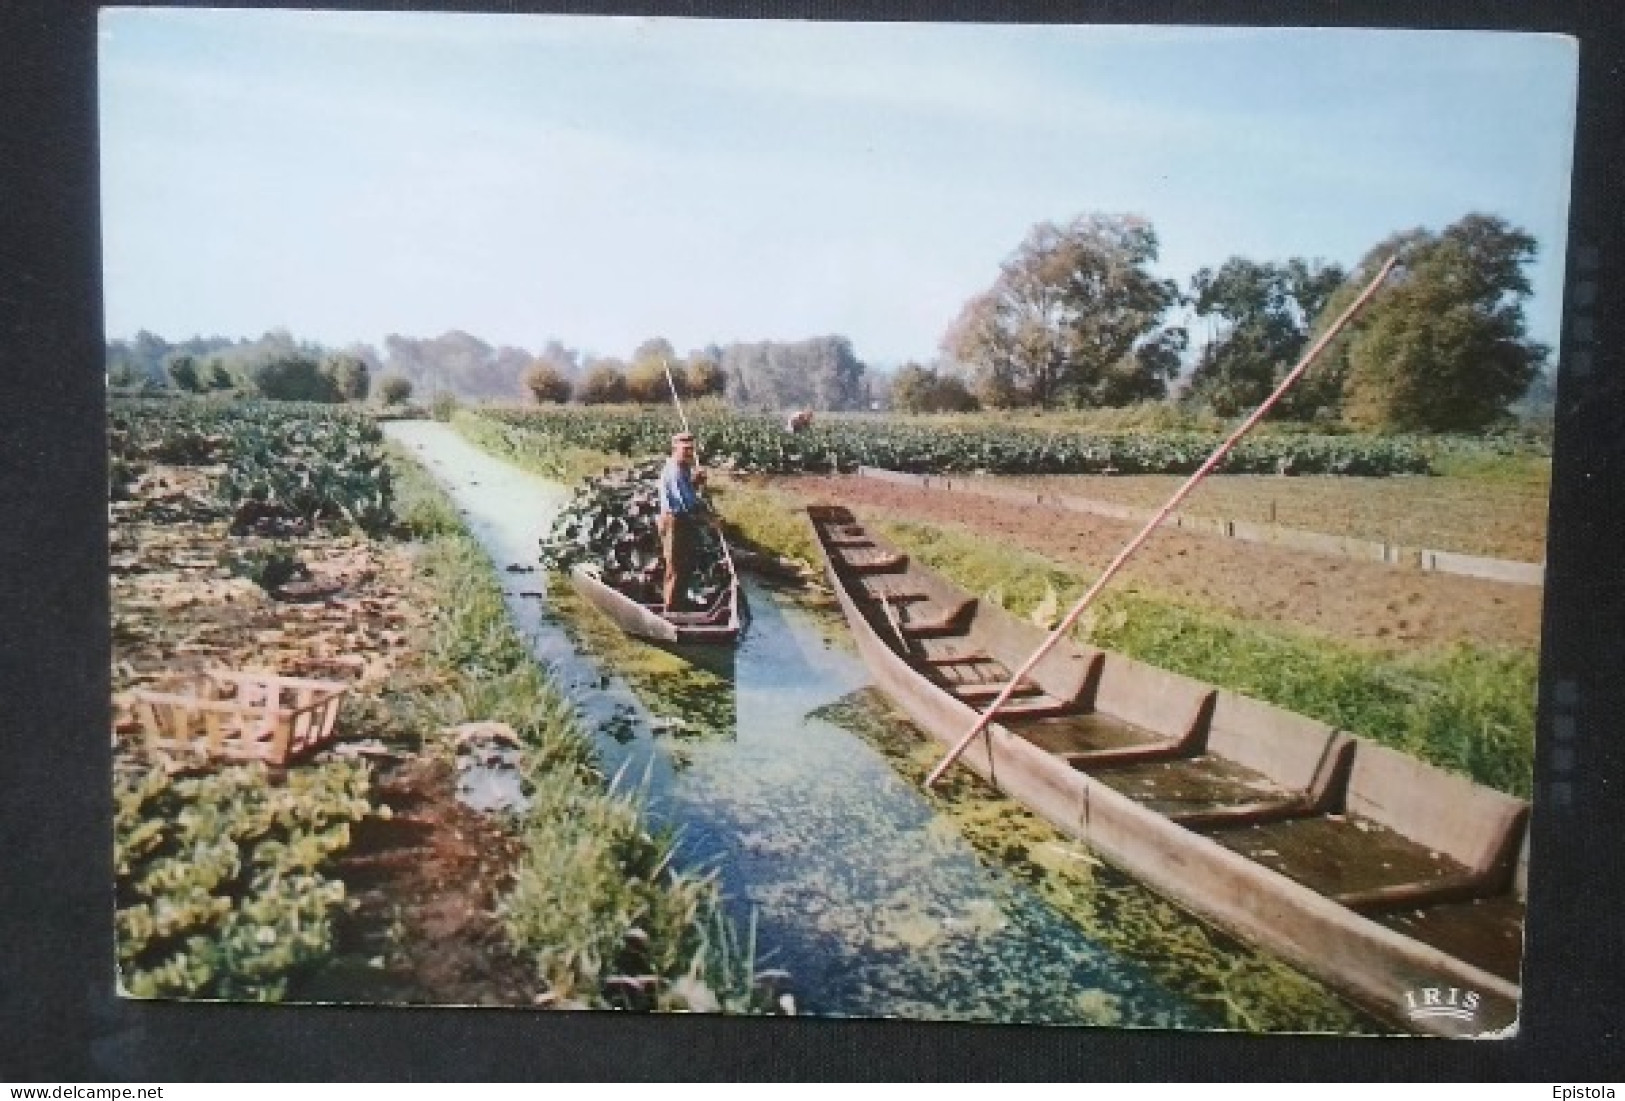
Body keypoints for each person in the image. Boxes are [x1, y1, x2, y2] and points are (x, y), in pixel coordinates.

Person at [657, 432, 708, 610]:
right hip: (675, 521)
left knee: (686, 565)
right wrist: (709, 520)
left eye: (691, 450)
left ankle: (679, 602)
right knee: (676, 567)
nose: (689, 453)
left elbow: (688, 491)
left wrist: (696, 481)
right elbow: (686, 504)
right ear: (675, 448)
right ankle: (671, 609)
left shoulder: (684, 468)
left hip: (682, 521)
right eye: (685, 449)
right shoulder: (674, 471)